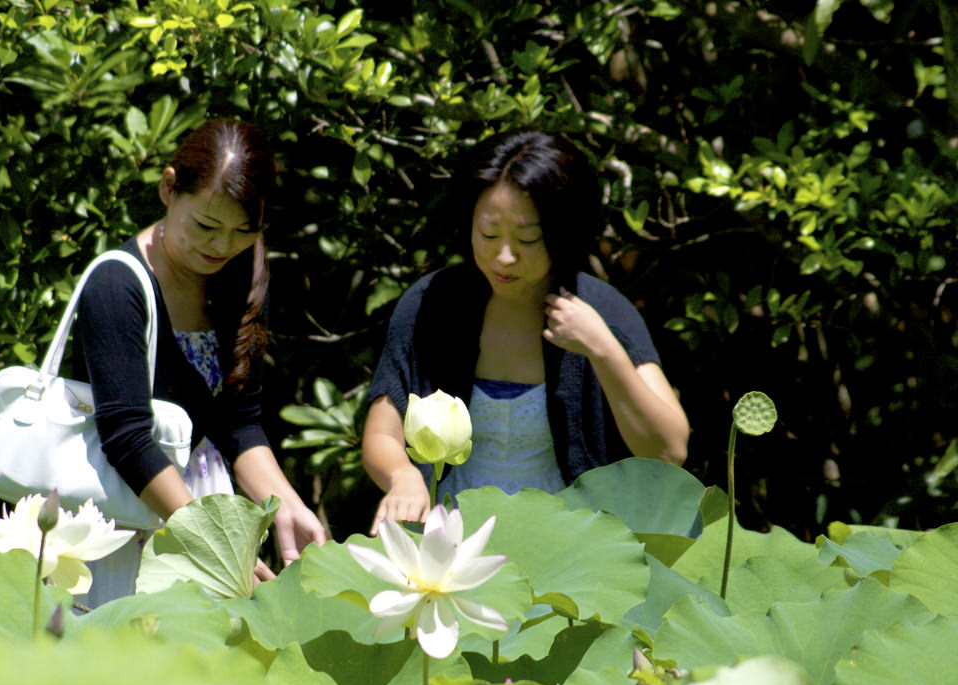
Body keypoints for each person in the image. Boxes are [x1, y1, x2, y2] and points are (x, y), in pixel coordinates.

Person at [362, 129, 689, 531]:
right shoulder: (433, 303)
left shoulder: (602, 311)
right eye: (488, 234)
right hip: (447, 540)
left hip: (568, 547)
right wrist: (402, 476)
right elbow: (382, 433)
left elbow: (670, 450)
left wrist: (604, 351)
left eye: (527, 239)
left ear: (563, 234)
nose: (504, 257)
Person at [71, 118, 326, 605]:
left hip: (207, 506)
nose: (220, 246)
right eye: (207, 226)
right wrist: (209, 540)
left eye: (242, 231)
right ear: (169, 188)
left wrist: (285, 504)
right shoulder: (117, 283)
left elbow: (239, 420)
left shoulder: (242, 271)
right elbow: (126, 438)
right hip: (128, 514)